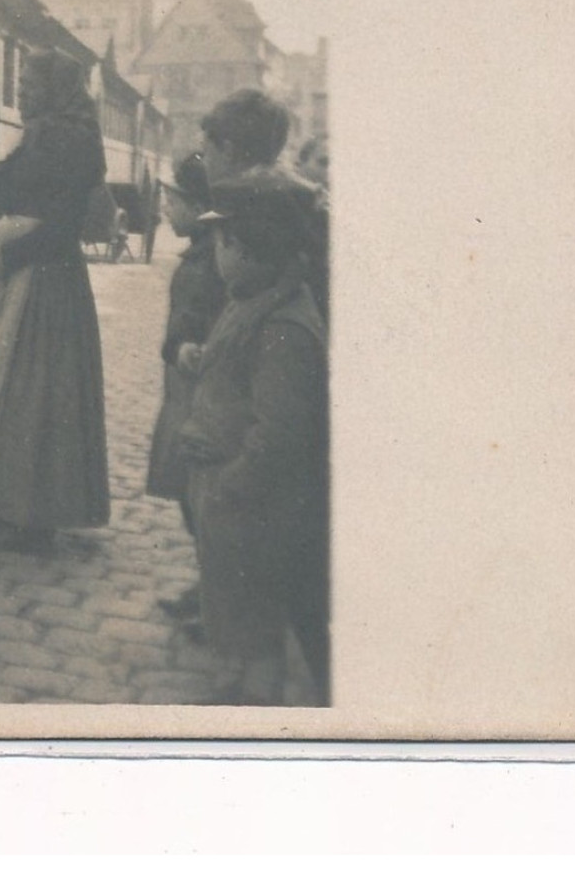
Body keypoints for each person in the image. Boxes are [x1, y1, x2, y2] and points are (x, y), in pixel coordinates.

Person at [0, 49, 110, 552]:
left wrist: (14, 251)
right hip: (29, 268)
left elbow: (64, 223)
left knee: (31, 391)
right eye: (19, 81)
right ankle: (14, 508)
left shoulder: (67, 140)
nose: (21, 90)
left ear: (57, 87)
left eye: (31, 81)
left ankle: (32, 517)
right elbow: (10, 188)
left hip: (43, 278)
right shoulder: (45, 134)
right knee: (14, 389)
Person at [179, 168, 330, 706]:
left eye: (222, 242)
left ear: (248, 248)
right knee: (228, 605)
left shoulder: (284, 328)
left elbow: (281, 431)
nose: (217, 254)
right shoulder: (250, 301)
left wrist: (233, 484)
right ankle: (233, 687)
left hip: (252, 500)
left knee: (255, 617)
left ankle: (255, 706)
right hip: (228, 493)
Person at [146, 153, 226, 620]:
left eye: (173, 201)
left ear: (198, 206)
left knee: (198, 490)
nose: (166, 210)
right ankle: (210, 585)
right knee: (187, 490)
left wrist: (184, 347)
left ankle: (217, 594)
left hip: (195, 390)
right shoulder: (201, 254)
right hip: (181, 387)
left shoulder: (209, 260)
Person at [201, 89, 329, 321]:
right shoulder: (301, 202)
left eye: (206, 154)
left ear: (228, 151)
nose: (205, 165)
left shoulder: (241, 215)